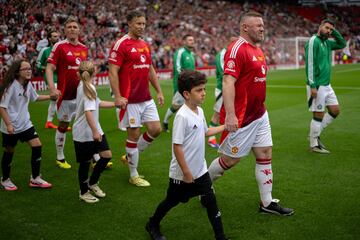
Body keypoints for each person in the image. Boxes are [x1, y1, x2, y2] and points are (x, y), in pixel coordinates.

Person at [207, 11, 294, 216]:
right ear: (245, 27)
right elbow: (228, 81)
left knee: (265, 154)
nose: (262, 28)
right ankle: (203, 187)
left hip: (259, 114)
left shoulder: (257, 49)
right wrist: (229, 115)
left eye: (262, 25)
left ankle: (266, 202)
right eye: (258, 25)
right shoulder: (237, 49)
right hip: (241, 117)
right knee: (229, 161)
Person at [146, 70, 228, 240]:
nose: (204, 93)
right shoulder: (182, 116)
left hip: (200, 170)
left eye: (204, 89)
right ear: (186, 94)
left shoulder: (199, 111)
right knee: (171, 201)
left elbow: (206, 131)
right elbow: (177, 147)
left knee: (211, 200)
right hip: (182, 173)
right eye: (199, 90)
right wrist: (186, 172)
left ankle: (220, 237)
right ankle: (152, 224)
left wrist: (225, 127)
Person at [108, 10, 164, 187]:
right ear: (130, 23)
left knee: (156, 129)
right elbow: (112, 71)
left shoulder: (144, 44)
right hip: (129, 100)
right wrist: (118, 96)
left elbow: (150, 69)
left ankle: (130, 155)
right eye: (138, 23)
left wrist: (159, 91)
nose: (142, 27)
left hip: (146, 98)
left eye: (144, 24)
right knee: (134, 134)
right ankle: (133, 175)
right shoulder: (121, 44)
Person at [0, 60, 52, 191]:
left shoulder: (28, 85)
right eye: (25, 69)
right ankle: (5, 179)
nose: (29, 71)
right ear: (18, 72)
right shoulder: (11, 86)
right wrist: (9, 124)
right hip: (11, 126)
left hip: (25, 124)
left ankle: (35, 178)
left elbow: (35, 97)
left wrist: (50, 96)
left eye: (30, 68)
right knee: (9, 151)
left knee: (37, 146)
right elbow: (2, 107)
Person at [46, 16, 88, 169]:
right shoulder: (59, 46)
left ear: (79, 30)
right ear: (64, 30)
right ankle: (60, 156)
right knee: (63, 125)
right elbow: (50, 68)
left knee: (88, 124)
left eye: (74, 27)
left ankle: (94, 156)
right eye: (69, 27)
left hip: (81, 95)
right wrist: (52, 88)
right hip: (64, 96)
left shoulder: (84, 48)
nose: (72, 29)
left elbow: (86, 71)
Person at [73, 61, 114, 203]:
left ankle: (92, 183)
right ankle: (83, 192)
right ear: (94, 71)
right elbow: (88, 111)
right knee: (85, 164)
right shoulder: (87, 87)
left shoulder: (85, 86)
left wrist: (116, 103)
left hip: (93, 129)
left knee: (106, 155)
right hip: (85, 132)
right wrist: (95, 131)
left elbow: (97, 103)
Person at [305, 19, 346, 154]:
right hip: (317, 85)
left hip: (327, 85)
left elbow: (342, 43)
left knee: (335, 111)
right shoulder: (313, 41)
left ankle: (314, 134)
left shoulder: (327, 43)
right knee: (319, 114)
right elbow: (310, 64)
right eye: (327, 28)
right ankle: (314, 144)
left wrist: (334, 31)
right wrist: (312, 85)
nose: (328, 31)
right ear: (320, 26)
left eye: (330, 30)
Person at [162, 34, 195, 132]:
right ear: (184, 41)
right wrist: (184, 81)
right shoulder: (180, 52)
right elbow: (178, 68)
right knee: (176, 106)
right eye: (189, 40)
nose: (192, 41)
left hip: (191, 84)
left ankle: (190, 126)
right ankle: (165, 122)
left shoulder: (191, 54)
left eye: (193, 40)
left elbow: (192, 70)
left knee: (191, 105)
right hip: (181, 84)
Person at [36, 27, 60, 129]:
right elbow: (38, 64)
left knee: (58, 99)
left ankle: (51, 122)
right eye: (54, 36)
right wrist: (48, 68)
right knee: (56, 97)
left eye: (57, 36)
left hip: (60, 77)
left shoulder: (60, 49)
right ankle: (52, 122)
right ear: (49, 38)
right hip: (50, 77)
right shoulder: (45, 50)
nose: (57, 38)